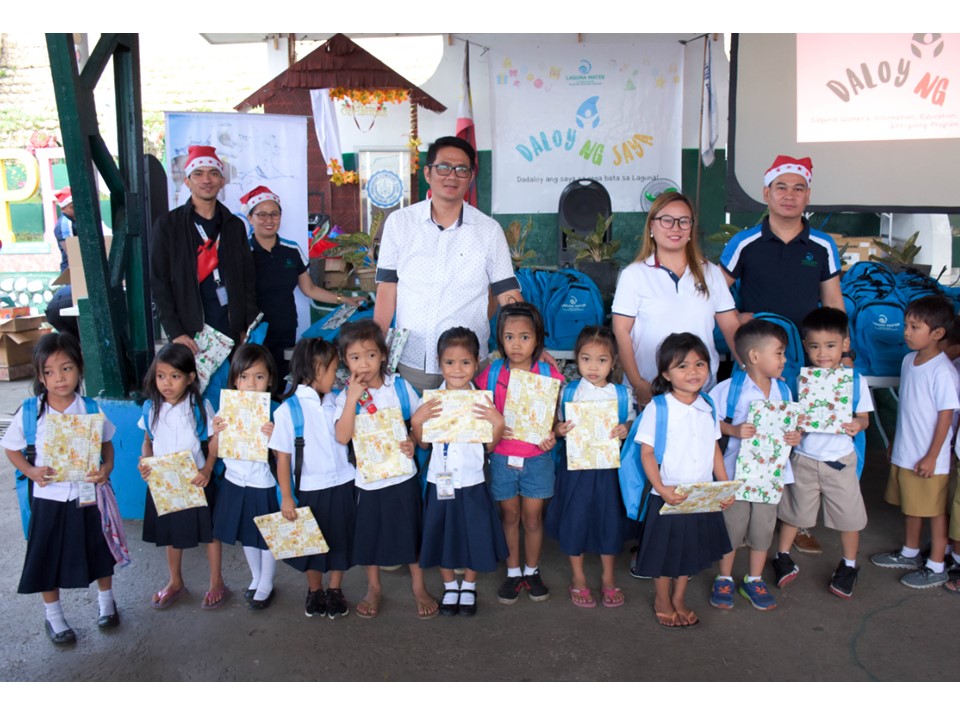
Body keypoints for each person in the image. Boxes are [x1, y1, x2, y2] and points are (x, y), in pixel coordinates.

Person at [720, 155, 844, 556]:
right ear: (766, 194)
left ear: (808, 194)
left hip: (806, 363)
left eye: (798, 188)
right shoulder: (744, 243)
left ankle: (794, 521)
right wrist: (738, 320)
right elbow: (716, 295)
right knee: (747, 434)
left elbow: (833, 302)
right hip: (755, 362)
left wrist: (844, 353)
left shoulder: (822, 245)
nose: (789, 196)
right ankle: (739, 514)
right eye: (781, 187)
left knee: (800, 440)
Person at [2, 333, 126, 645]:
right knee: (46, 557)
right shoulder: (32, 412)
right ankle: (54, 618)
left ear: (79, 369)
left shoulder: (90, 408)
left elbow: (106, 444)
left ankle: (107, 604)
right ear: (40, 376)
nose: (59, 378)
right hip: (49, 499)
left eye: (66, 368)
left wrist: (106, 469)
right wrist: (31, 471)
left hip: (87, 496)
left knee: (98, 551)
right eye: (50, 371)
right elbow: (12, 449)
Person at [374, 136, 522, 393]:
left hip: (468, 366)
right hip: (412, 363)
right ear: (428, 173)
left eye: (461, 169)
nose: (452, 176)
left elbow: (507, 293)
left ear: (470, 177)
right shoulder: (400, 223)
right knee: (411, 431)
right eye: (443, 167)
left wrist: (533, 343)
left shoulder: (489, 231)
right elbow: (387, 290)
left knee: (468, 432)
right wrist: (373, 348)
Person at [333, 319, 438, 619]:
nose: (363, 363)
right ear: (345, 361)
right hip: (368, 481)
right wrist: (352, 398)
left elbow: (420, 427)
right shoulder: (346, 396)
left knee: (410, 533)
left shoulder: (400, 388)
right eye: (355, 357)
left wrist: (413, 441)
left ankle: (418, 586)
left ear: (383, 355)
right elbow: (342, 437)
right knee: (371, 536)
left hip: (403, 477)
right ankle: (374, 587)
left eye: (370, 355)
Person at [633, 332, 734, 628]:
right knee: (665, 552)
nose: (693, 372)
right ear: (666, 373)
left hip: (700, 494)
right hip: (668, 495)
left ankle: (679, 598)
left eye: (699, 364)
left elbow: (714, 448)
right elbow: (647, 453)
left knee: (689, 551)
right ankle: (662, 599)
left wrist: (724, 485)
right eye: (682, 366)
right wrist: (662, 488)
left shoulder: (708, 406)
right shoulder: (659, 407)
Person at [771, 308, 873, 599]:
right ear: (804, 345)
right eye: (814, 346)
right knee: (794, 512)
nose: (822, 353)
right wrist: (794, 431)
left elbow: (864, 419)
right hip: (804, 457)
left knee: (849, 517)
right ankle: (782, 556)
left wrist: (857, 424)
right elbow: (792, 417)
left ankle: (850, 564)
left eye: (830, 345)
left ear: (845, 344)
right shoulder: (800, 381)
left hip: (839, 460)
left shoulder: (855, 381)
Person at [411, 327, 509, 616]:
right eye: (450, 362)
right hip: (439, 481)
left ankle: (469, 584)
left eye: (465, 362)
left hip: (472, 481)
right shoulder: (429, 401)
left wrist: (498, 422)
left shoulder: (482, 401)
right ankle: (449, 585)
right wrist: (417, 421)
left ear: (476, 363)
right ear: (440, 365)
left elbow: (490, 446)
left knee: (474, 535)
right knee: (443, 534)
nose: (457, 369)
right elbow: (423, 444)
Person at [612, 191, 739, 407]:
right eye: (666, 220)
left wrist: (750, 369)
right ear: (652, 226)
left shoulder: (711, 273)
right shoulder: (635, 274)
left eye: (683, 221)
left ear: (691, 228)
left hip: (700, 392)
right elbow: (621, 332)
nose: (675, 228)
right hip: (650, 391)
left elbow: (731, 327)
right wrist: (638, 383)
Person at [708, 320, 801, 611]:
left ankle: (754, 579)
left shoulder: (784, 392)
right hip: (736, 474)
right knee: (732, 529)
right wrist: (733, 430)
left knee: (763, 529)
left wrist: (795, 436)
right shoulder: (729, 390)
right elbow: (707, 421)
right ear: (755, 357)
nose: (784, 360)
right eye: (779, 353)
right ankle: (724, 578)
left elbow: (792, 426)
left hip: (771, 478)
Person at [475, 302, 563, 604]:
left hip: (537, 457)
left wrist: (552, 434)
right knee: (509, 515)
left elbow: (553, 416)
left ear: (538, 339)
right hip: (501, 457)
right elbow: (480, 413)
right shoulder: (490, 373)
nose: (516, 344)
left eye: (525, 337)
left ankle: (532, 570)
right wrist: (492, 430)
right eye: (509, 336)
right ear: (500, 337)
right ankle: (513, 572)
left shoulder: (548, 373)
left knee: (533, 518)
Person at [872, 296, 959, 589]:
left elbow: (946, 418)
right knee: (912, 505)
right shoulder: (910, 360)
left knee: (934, 510)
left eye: (914, 326)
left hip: (929, 457)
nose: (906, 332)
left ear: (937, 334)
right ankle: (910, 552)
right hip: (907, 451)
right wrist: (895, 440)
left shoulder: (943, 370)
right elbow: (906, 407)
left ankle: (936, 565)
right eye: (906, 324)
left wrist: (933, 456)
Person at [548, 326, 634, 609]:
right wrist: (559, 430)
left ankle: (609, 578)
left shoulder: (621, 394)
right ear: (577, 359)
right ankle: (579, 579)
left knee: (608, 521)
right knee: (576, 520)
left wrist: (625, 429)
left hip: (609, 472)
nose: (593, 367)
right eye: (586, 359)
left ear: (613, 362)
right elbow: (557, 427)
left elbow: (632, 425)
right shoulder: (570, 392)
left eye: (601, 360)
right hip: (576, 471)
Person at [138, 343, 228, 610]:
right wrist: (144, 460)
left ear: (190, 378)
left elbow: (214, 442)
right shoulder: (151, 408)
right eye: (161, 375)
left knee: (209, 532)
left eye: (175, 376)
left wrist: (208, 469)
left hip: (196, 480)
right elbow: (147, 440)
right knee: (171, 533)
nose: (167, 383)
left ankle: (216, 581)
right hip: (164, 481)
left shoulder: (199, 407)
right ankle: (175, 581)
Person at [269, 338, 354, 618]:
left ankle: (335, 590)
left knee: (340, 540)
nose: (336, 374)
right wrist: (286, 497)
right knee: (311, 543)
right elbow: (283, 458)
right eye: (332, 369)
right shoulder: (287, 411)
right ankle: (315, 590)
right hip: (310, 488)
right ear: (315, 369)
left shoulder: (337, 402)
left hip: (343, 482)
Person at [241, 185, 362, 379]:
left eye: (274, 214)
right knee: (254, 381)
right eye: (261, 215)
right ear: (250, 218)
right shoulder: (242, 251)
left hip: (285, 328)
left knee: (280, 379)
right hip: (253, 331)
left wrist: (344, 299)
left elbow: (310, 289)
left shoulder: (291, 250)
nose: (268, 220)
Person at [150, 145, 258, 351]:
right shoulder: (168, 226)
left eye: (213, 173)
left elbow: (248, 281)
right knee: (195, 384)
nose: (206, 180)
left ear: (222, 181)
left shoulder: (234, 226)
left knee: (232, 384)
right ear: (187, 181)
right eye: (198, 174)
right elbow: (159, 283)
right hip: (190, 335)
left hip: (232, 333)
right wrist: (176, 332)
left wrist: (246, 327)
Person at [211, 344, 280, 610]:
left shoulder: (275, 410)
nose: (251, 384)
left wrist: (274, 437)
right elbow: (215, 452)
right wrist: (217, 432)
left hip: (262, 482)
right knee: (247, 534)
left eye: (259, 376)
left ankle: (267, 583)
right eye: (244, 376)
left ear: (270, 379)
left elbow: (282, 455)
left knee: (266, 535)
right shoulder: (225, 409)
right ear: (234, 380)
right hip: (235, 480)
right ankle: (256, 577)